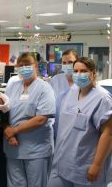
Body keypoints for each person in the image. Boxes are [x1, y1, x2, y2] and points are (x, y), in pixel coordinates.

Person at [48, 57, 112, 187]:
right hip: (62, 162)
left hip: (85, 165)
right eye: (75, 71)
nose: (78, 75)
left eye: (83, 71)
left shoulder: (102, 98)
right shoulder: (72, 92)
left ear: (93, 74)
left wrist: (97, 164)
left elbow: (109, 134)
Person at [3, 52, 56, 187]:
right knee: (15, 184)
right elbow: (3, 112)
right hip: (13, 147)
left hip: (36, 150)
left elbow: (41, 119)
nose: (24, 68)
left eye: (27, 64)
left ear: (36, 66)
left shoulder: (45, 88)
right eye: (20, 65)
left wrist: (14, 130)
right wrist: (8, 132)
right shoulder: (12, 87)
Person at [49, 49, 79, 138]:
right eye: (64, 63)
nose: (67, 65)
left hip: (76, 126)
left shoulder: (82, 81)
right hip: (57, 125)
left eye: (70, 62)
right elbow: (50, 103)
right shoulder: (56, 80)